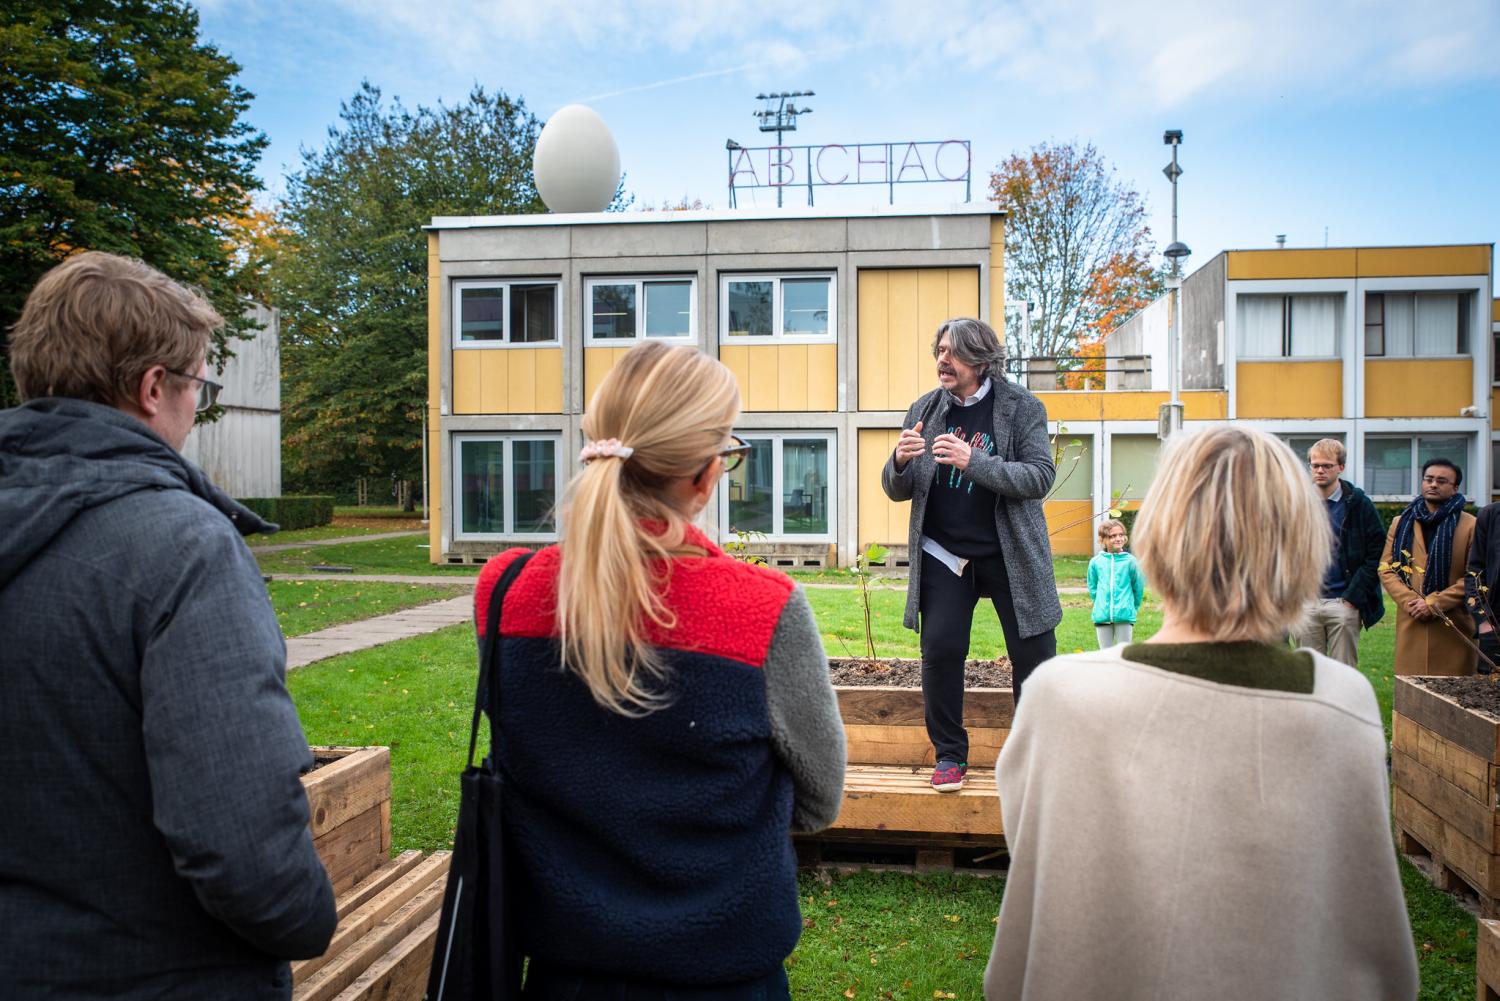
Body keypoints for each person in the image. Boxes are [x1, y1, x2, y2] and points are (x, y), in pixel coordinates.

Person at [0, 252, 336, 1000]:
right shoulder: (182, 547)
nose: (198, 409)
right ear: (155, 388)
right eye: (201, 388)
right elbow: (242, 843)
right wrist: (310, 918)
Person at [983, 426, 1417, 1001]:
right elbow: (1374, 939)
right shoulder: (1343, 705)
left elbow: (1033, 857)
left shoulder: (1062, 696)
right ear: (1304, 543)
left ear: (1159, 535)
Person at [473, 341, 846, 1000]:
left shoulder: (503, 591)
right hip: (726, 977)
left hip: (560, 976)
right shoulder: (766, 610)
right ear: (705, 476)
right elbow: (820, 799)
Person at [881, 317, 1060, 794]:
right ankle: (949, 756)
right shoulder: (925, 408)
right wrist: (899, 461)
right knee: (940, 650)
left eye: (953, 352)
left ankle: (1031, 756)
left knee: (1036, 656)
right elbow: (897, 488)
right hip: (944, 553)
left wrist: (972, 461)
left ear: (982, 360)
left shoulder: (1022, 407)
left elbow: (1039, 477)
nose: (943, 360)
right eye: (939, 350)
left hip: (1009, 552)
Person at [1290, 438, 1386, 666]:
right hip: (1306, 602)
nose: (1320, 470)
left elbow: (1376, 553)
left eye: (1327, 465)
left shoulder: (1358, 504)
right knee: (1309, 673)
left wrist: (1352, 599)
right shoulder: (1297, 503)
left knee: (1344, 673)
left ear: (1341, 467)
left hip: (1343, 603)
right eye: (1315, 465)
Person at [1380, 457, 1477, 676]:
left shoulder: (1471, 525)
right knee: (1411, 697)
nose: (1433, 484)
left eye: (1441, 481)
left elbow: (1474, 576)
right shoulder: (1401, 522)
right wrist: (1410, 601)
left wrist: (1434, 603)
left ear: (1455, 488)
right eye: (1429, 479)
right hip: (1412, 620)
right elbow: (1386, 568)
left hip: (1452, 624)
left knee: (1454, 698)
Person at [1087, 518, 1144, 648]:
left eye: (1121, 535)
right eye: (1113, 536)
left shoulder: (1131, 562)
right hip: (1102, 615)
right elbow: (1093, 586)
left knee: (1122, 653)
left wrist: (1132, 607)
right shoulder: (1096, 562)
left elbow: (1138, 587)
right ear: (1102, 540)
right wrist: (1099, 603)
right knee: (1105, 653)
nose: (1118, 538)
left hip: (1124, 614)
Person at [1466, 497, 1500, 671]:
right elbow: (1474, 572)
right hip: (1494, 625)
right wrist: (1483, 619)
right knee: (1490, 691)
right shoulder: (1490, 515)